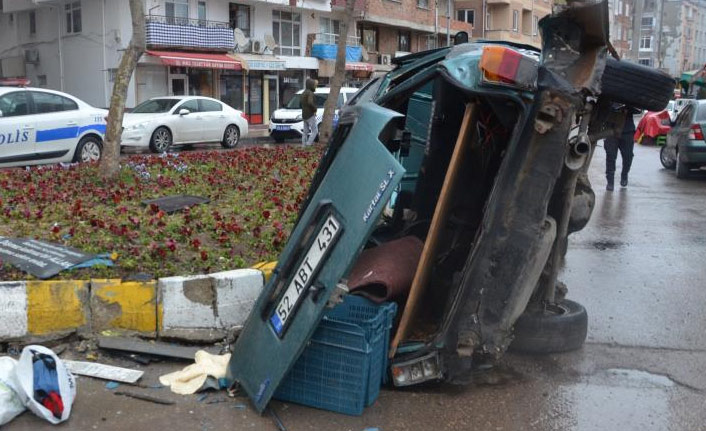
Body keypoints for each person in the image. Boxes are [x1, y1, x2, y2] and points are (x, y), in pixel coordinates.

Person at [604, 104, 640, 191]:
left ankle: (624, 175)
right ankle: (610, 182)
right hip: (611, 129)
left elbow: (638, 109)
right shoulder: (611, 93)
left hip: (627, 130)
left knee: (628, 156)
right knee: (610, 156)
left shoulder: (631, 95)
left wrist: (627, 107)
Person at [300, 78, 318, 146]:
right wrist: (315, 109)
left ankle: (303, 145)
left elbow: (300, 103)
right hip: (310, 114)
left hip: (304, 114)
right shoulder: (310, 93)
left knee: (305, 132)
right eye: (313, 85)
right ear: (311, 85)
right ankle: (308, 144)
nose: (315, 86)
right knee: (315, 131)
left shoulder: (303, 93)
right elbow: (310, 102)